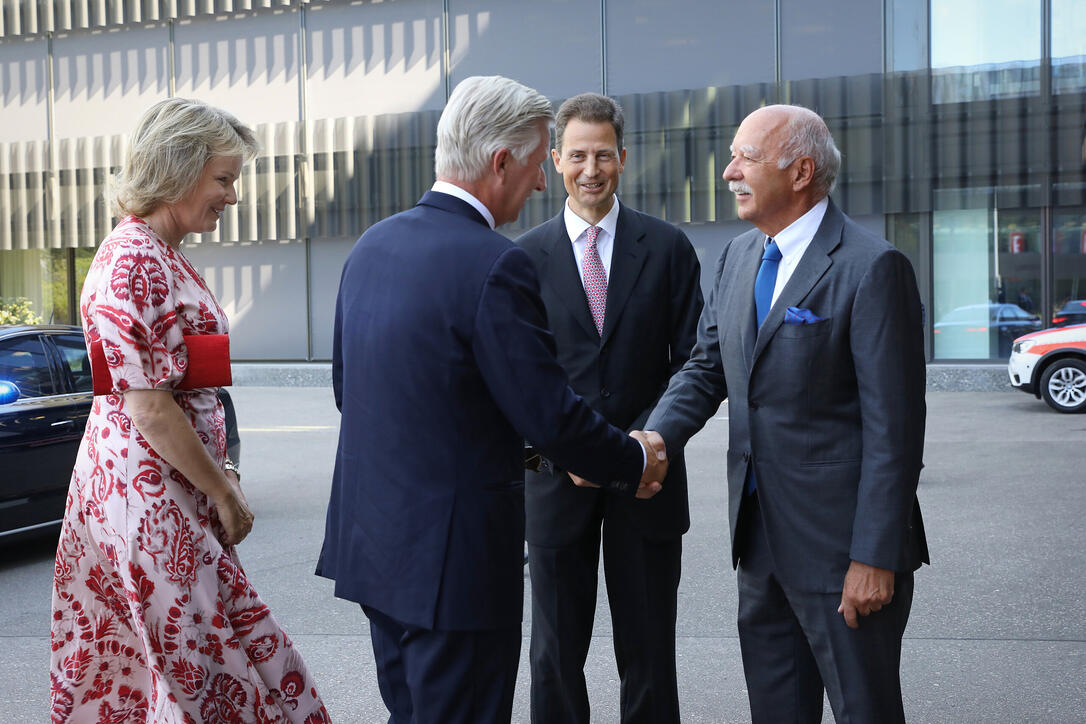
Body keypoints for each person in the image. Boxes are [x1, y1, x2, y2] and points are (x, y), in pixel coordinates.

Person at [315, 76, 668, 724]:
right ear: (501, 161)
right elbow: (548, 415)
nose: (542, 183)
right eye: (540, 163)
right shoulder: (494, 264)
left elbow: (350, 392)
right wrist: (634, 460)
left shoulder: (371, 248)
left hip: (378, 551)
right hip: (456, 568)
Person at [645, 104, 929, 723]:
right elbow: (706, 367)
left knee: (866, 711)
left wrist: (874, 556)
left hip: (843, 553)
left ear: (801, 172)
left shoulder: (872, 267)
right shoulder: (737, 257)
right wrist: (651, 440)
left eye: (745, 157)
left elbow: (895, 431)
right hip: (760, 543)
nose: (728, 173)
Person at [49, 98, 330, 722]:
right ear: (177, 171)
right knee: (195, 667)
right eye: (224, 178)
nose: (231, 196)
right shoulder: (134, 258)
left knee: (193, 663)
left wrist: (219, 475)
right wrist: (225, 494)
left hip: (163, 492)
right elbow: (148, 405)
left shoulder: (158, 252)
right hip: (148, 496)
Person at [516, 93, 702, 724]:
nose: (589, 168)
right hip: (553, 485)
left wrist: (649, 446)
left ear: (623, 159)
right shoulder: (521, 259)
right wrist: (554, 452)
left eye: (602, 155)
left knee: (650, 652)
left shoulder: (669, 248)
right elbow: (513, 382)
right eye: (577, 156)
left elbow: (695, 365)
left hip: (648, 481)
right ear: (556, 161)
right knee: (554, 654)